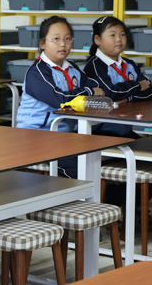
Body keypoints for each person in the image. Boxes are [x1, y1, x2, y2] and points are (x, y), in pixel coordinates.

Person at [15, 16, 104, 178]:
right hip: (35, 136)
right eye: (56, 39)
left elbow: (98, 87)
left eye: (67, 39)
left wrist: (93, 91)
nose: (63, 44)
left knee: (99, 155)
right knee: (78, 167)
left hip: (64, 136)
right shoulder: (37, 72)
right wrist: (90, 92)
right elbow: (60, 99)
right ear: (42, 43)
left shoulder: (72, 68)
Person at [83, 15, 152, 137]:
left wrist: (128, 98)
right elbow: (110, 93)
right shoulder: (94, 66)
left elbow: (150, 91)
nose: (118, 39)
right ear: (97, 40)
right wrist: (138, 86)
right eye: (112, 35)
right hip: (101, 130)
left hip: (123, 126)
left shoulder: (129, 64)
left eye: (122, 34)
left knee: (151, 146)